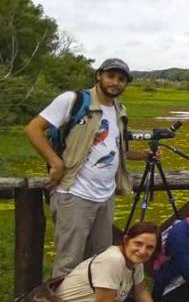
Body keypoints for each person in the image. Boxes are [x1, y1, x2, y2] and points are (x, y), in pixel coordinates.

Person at [24, 58, 156, 277]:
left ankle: (90, 300)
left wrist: (145, 155)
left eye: (121, 79)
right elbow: (33, 129)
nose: (115, 82)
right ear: (99, 76)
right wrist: (55, 162)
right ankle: (61, 300)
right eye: (110, 76)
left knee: (99, 261)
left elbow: (115, 149)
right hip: (74, 193)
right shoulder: (73, 100)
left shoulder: (119, 110)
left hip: (105, 197)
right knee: (68, 262)